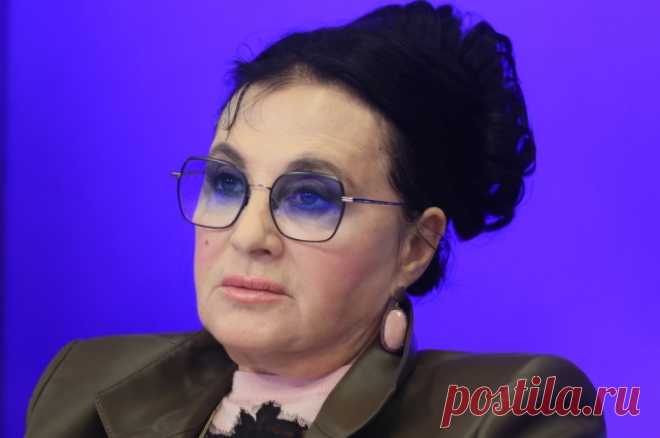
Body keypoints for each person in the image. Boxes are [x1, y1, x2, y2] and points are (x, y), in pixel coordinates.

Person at [25, 1, 606, 437]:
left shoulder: (514, 409)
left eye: (310, 198)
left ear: (415, 247)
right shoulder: (82, 383)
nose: (248, 236)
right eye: (226, 184)